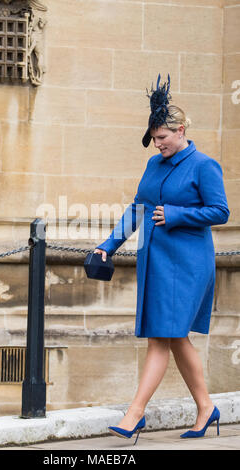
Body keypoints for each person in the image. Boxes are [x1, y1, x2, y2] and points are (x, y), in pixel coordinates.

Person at [94, 74, 229, 443]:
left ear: (180, 130)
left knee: (161, 337)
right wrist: (109, 244)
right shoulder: (154, 166)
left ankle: (134, 414)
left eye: (163, 138)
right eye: (154, 139)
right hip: (155, 261)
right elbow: (138, 208)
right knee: (172, 336)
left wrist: (176, 215)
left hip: (188, 264)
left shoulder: (204, 165)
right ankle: (206, 407)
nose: (157, 145)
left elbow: (221, 211)